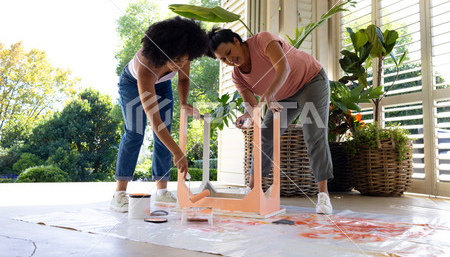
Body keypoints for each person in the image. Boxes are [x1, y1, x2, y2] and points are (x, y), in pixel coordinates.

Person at [207, 28, 333, 214]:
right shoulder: (238, 75)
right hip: (282, 96)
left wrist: (270, 92)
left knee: (313, 133)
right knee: (265, 134)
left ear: (236, 41)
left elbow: (284, 68)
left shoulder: (262, 40)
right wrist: (246, 115)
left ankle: (324, 196)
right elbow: (251, 105)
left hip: (311, 81)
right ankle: (251, 190)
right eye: (223, 59)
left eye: (229, 53)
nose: (229, 60)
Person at [110, 17, 208, 212]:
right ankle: (119, 193)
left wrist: (183, 103)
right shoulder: (145, 69)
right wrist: (178, 153)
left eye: (185, 60)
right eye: (176, 61)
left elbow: (182, 80)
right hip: (132, 83)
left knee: (166, 133)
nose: (181, 65)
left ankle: (162, 191)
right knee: (134, 132)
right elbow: (155, 122)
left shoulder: (182, 54)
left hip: (162, 84)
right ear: (163, 53)